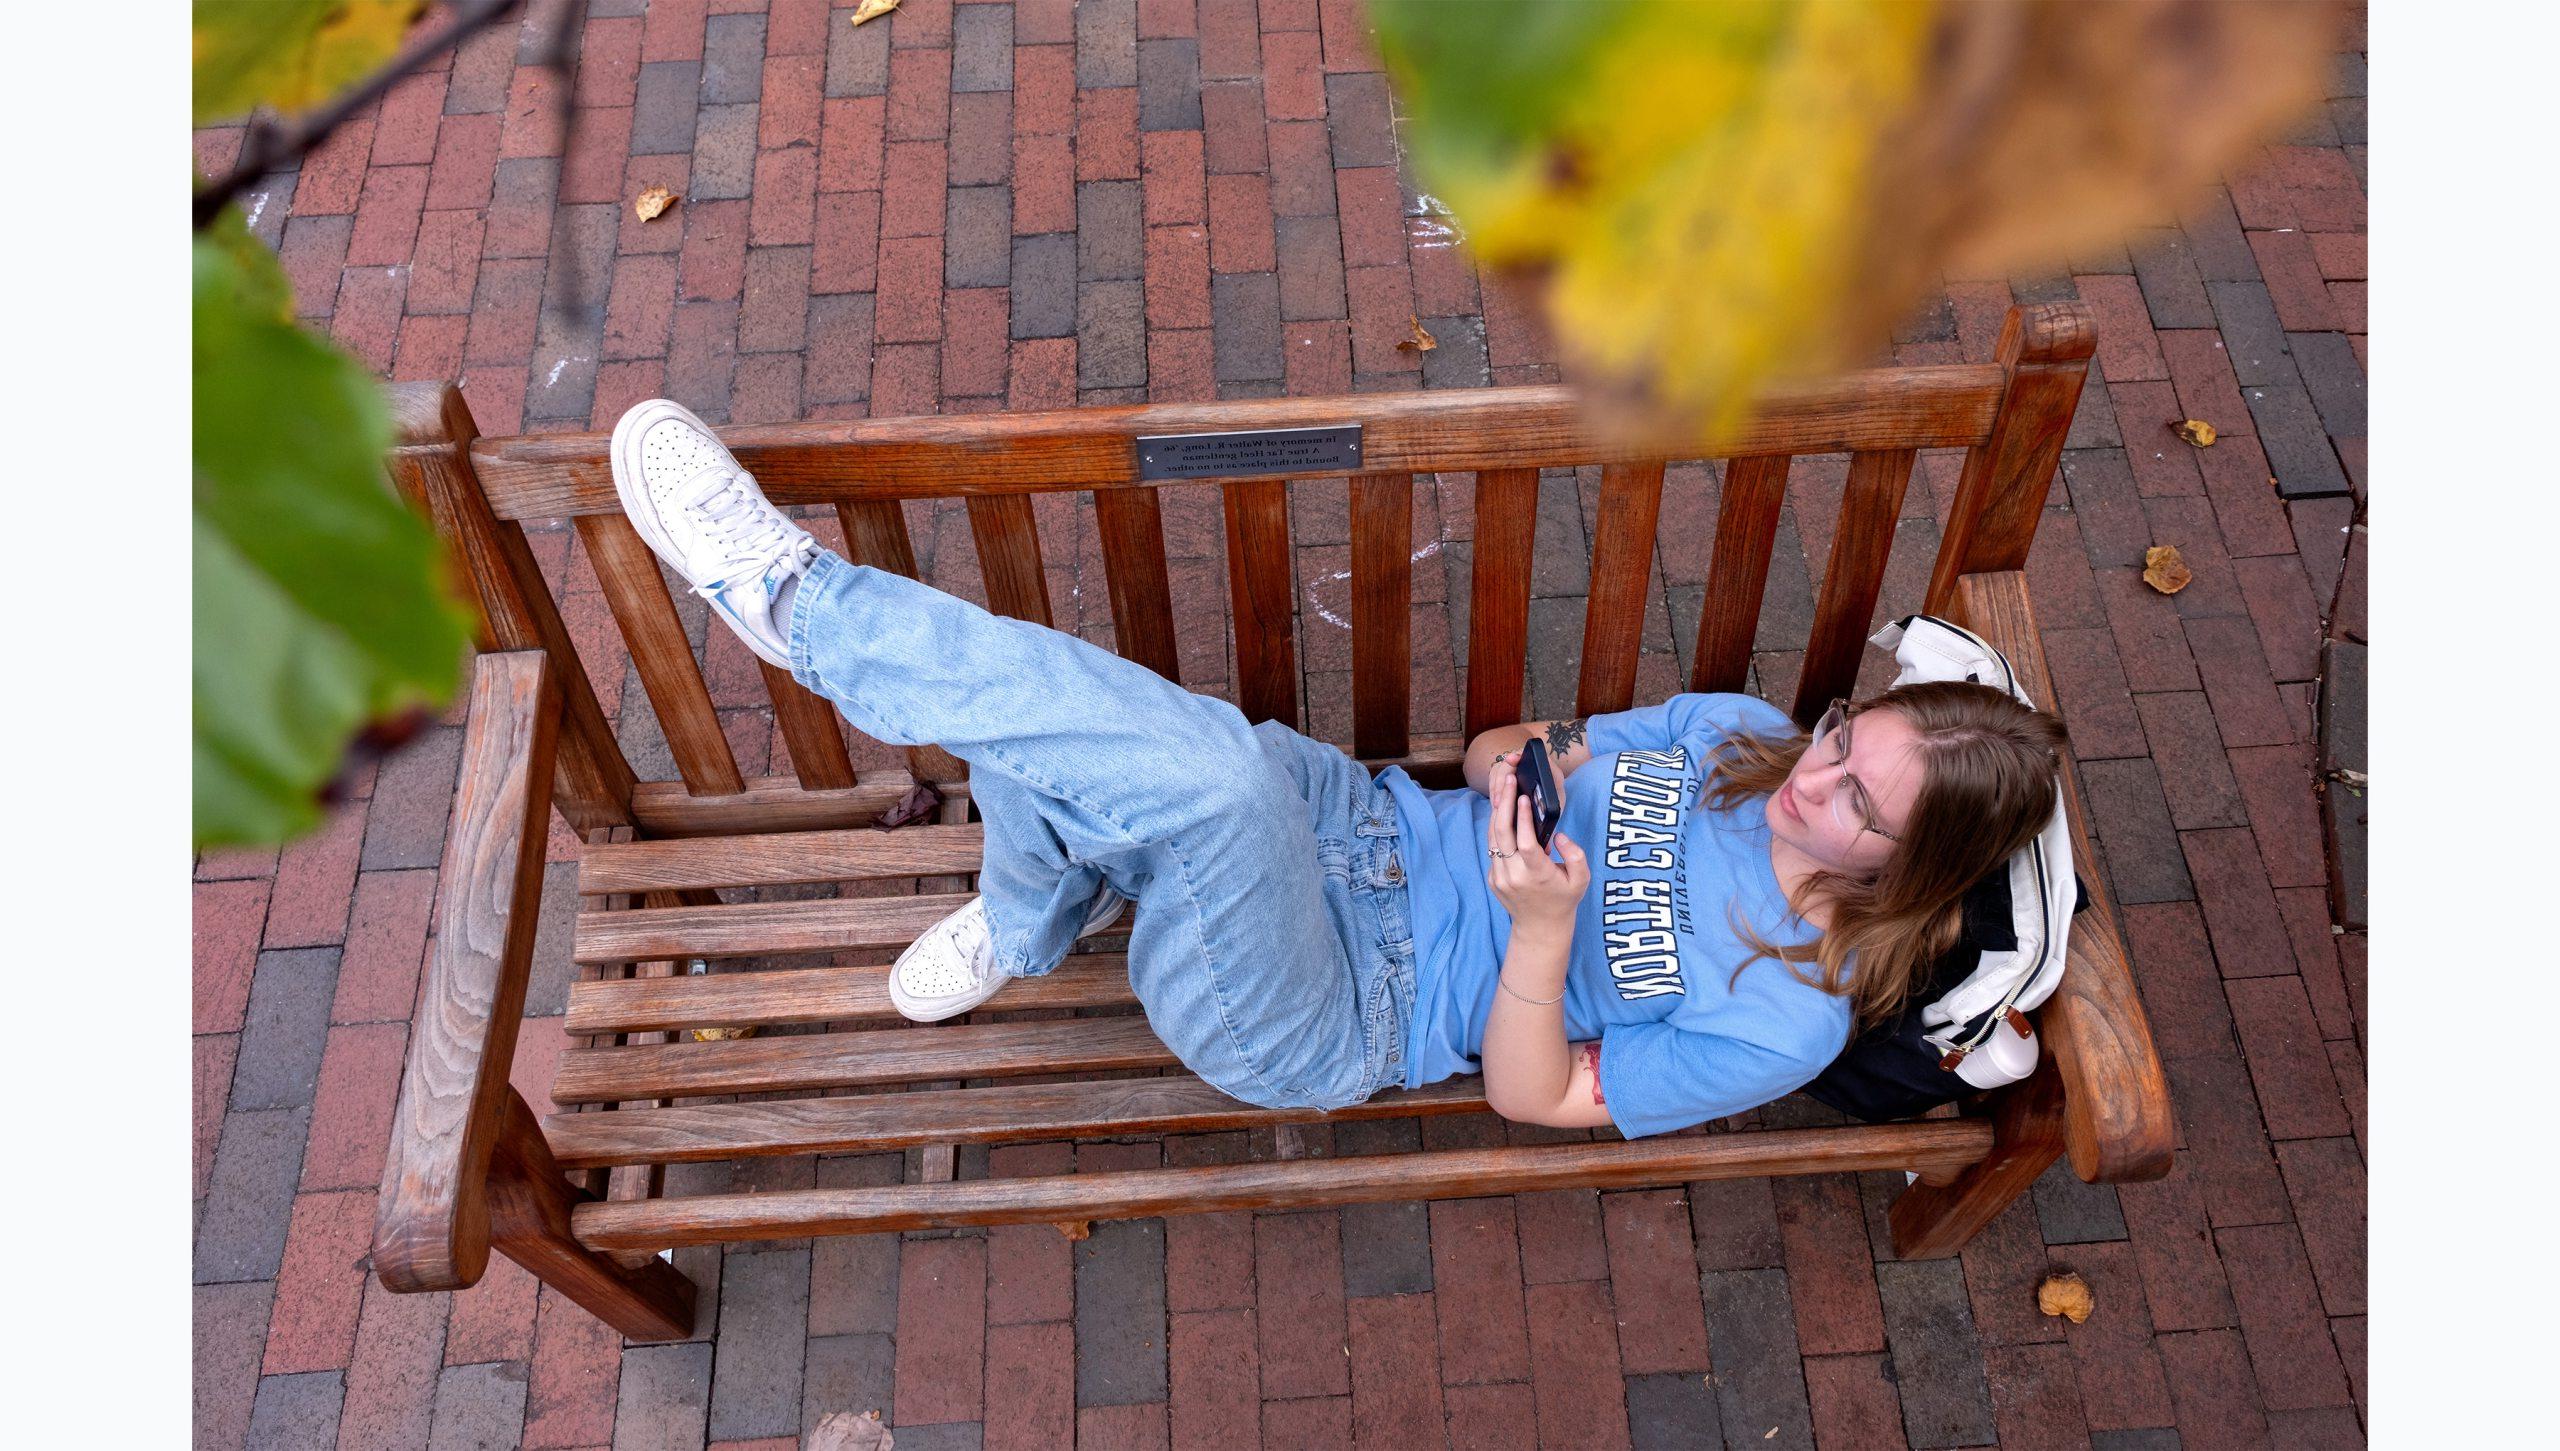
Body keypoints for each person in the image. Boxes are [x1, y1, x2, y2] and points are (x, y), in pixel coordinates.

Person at [606, 398, 2070, 1137]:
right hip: (1355, 821)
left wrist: (1545, 936)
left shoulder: (1788, 1020)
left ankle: (792, 603)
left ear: (1907, 868)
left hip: (1339, 1009)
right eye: (1841, 738)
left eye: (1858, 802)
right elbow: (1516, 746)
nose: (1815, 778)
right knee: (1143, 752)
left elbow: (1533, 1097)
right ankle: (1040, 911)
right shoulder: (1732, 742)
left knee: (1195, 780)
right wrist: (1519, 772)